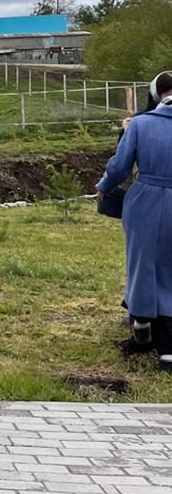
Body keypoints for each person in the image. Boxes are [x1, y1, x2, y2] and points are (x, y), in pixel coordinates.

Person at [98, 73, 172, 366]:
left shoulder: (141, 124)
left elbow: (119, 166)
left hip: (147, 201)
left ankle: (143, 326)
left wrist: (103, 186)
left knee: (143, 264)